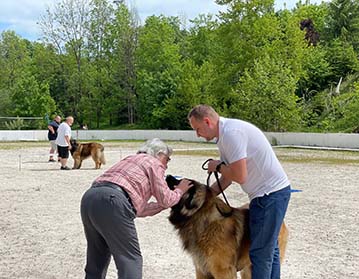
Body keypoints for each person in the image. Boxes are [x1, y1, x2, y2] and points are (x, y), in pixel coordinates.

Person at [188, 104, 291, 279]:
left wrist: (218, 166)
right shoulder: (224, 135)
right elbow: (227, 179)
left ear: (207, 121)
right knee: (269, 249)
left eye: (198, 129)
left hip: (270, 195)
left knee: (260, 253)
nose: (197, 134)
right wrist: (206, 197)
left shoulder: (231, 134)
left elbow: (239, 175)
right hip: (266, 194)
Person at [80, 138, 193, 279]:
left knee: (97, 256)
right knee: (130, 259)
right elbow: (166, 198)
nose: (166, 165)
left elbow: (138, 209)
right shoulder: (153, 162)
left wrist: (165, 204)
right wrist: (180, 191)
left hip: (90, 198)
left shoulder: (130, 159)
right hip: (114, 200)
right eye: (167, 159)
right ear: (159, 154)